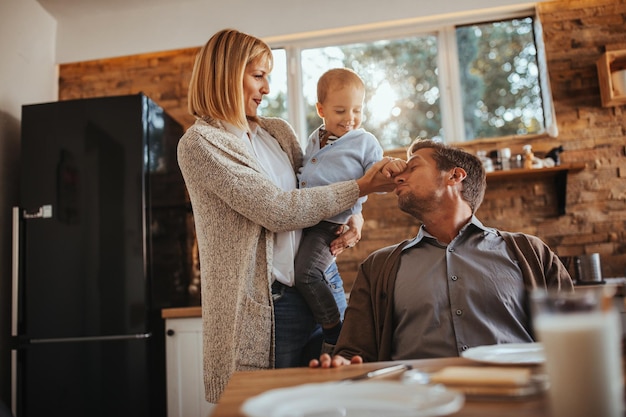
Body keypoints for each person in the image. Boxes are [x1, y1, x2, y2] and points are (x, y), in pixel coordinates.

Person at [176, 28, 402, 403]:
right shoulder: (202, 143)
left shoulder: (276, 132)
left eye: (269, 77)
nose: (266, 89)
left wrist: (355, 214)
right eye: (258, 75)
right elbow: (276, 210)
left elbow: (313, 187)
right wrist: (360, 187)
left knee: (338, 400)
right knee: (276, 407)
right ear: (225, 74)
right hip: (270, 306)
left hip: (320, 283)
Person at [310, 138, 574, 369]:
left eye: (412, 167)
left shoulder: (532, 254)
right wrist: (343, 363)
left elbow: (574, 341)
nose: (398, 177)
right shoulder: (377, 267)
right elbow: (353, 353)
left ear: (455, 176)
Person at [294, 68, 383, 354]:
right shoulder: (315, 138)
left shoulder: (365, 141)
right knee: (307, 272)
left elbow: (376, 180)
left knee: (306, 274)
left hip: (329, 224)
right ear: (321, 109)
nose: (350, 119)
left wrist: (388, 171)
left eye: (357, 110)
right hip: (306, 220)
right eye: (340, 110)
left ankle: (335, 328)